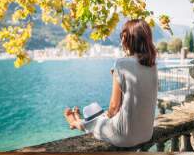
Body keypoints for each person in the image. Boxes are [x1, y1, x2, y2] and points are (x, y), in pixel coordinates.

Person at [64, 19, 158, 147]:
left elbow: (114, 107)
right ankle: (82, 120)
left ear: (127, 38)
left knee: (98, 122)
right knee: (104, 117)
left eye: (122, 36)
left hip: (125, 136)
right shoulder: (152, 66)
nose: (121, 40)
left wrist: (107, 117)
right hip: (147, 133)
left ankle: (76, 123)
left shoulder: (122, 63)